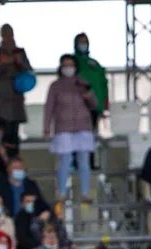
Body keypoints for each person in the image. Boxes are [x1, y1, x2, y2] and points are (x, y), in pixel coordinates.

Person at [43, 54, 98, 200]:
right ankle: (61, 192)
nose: (68, 68)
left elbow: (94, 105)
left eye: (71, 65)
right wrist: (46, 126)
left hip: (83, 126)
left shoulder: (83, 83)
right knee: (65, 161)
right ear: (61, 67)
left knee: (84, 161)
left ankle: (85, 192)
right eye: (65, 65)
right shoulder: (55, 86)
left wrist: (88, 93)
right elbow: (49, 107)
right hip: (63, 127)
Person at [0, 25, 32, 150]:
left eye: (10, 34)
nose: (8, 37)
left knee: (14, 135)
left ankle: (15, 162)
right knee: (3, 134)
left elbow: (29, 71)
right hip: (3, 101)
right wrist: (3, 63)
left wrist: (19, 62)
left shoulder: (20, 52)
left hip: (17, 100)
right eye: (5, 34)